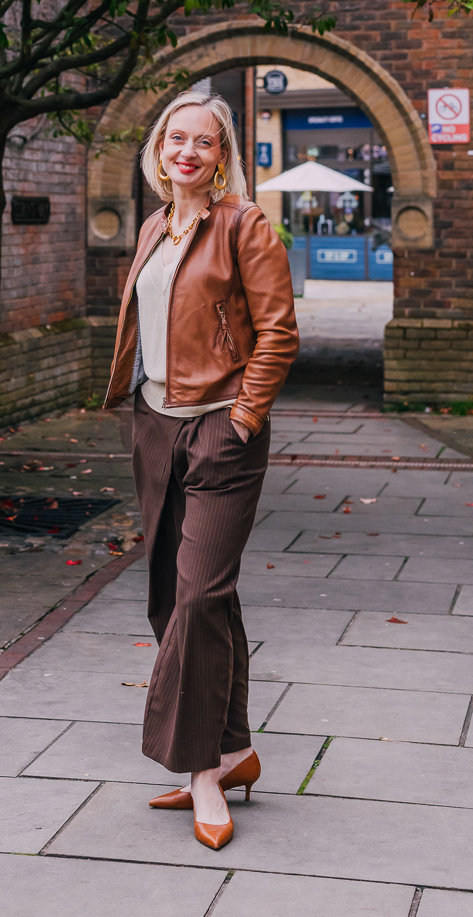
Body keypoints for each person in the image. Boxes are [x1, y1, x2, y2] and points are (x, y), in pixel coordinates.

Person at [104, 88, 299, 850]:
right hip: (156, 425)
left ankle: (203, 775)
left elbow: (279, 334)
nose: (188, 151)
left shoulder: (244, 226)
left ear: (223, 157)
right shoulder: (155, 225)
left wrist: (242, 420)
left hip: (223, 429)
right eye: (175, 139)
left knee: (199, 591)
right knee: (174, 593)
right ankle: (235, 747)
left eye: (205, 142)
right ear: (159, 149)